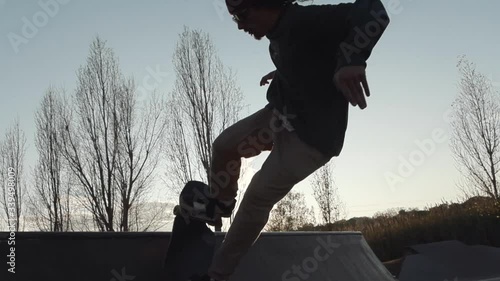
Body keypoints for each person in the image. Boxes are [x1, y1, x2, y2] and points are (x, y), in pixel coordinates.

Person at [185, 0, 390, 280]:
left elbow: (373, 10)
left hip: (311, 138)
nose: (241, 24)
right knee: (224, 146)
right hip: (280, 116)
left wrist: (353, 60)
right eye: (234, 18)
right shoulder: (277, 37)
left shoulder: (308, 20)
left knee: (257, 195)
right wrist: (283, 73)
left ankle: (217, 275)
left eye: (243, 14)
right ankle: (220, 205)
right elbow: (307, 58)